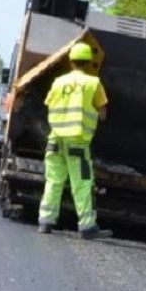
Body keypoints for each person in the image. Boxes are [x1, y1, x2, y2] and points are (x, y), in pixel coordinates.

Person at [38, 41, 111, 239]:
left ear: (71, 62)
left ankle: (46, 221)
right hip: (78, 142)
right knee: (82, 182)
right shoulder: (93, 83)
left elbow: (49, 104)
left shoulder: (58, 82)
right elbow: (103, 113)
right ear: (89, 63)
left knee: (53, 180)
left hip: (54, 140)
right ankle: (87, 226)